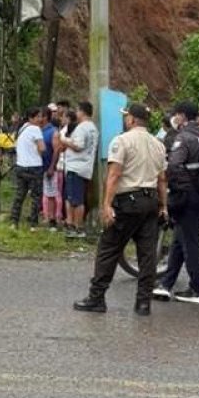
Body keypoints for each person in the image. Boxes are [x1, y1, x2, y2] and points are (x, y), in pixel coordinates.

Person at [73, 103, 168, 317]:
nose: (126, 120)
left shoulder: (121, 141)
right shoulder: (158, 144)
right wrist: (164, 206)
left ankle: (96, 297)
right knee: (147, 255)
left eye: (127, 117)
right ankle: (143, 303)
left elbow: (114, 175)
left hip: (128, 201)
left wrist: (106, 205)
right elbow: (162, 179)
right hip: (150, 201)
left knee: (109, 249)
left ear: (132, 120)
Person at [154, 102, 199, 305]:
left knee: (191, 243)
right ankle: (166, 285)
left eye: (176, 115)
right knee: (180, 241)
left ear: (182, 116)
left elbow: (175, 166)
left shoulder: (184, 137)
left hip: (187, 196)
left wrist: (176, 187)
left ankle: (198, 290)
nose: (174, 118)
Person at [59, 101, 98, 239]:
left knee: (76, 199)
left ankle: (76, 226)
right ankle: (73, 225)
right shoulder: (93, 127)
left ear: (82, 111)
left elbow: (78, 145)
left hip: (76, 167)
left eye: (77, 110)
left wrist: (64, 140)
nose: (76, 113)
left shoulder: (82, 128)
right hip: (85, 166)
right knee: (74, 197)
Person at [11, 107, 47, 227]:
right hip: (34, 167)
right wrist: (39, 152)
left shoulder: (22, 128)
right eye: (38, 117)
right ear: (31, 118)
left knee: (19, 195)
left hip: (21, 166)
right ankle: (33, 224)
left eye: (41, 116)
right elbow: (42, 148)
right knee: (36, 196)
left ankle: (14, 221)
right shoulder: (35, 129)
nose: (40, 119)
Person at [41, 104, 64, 231]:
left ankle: (52, 219)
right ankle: (46, 216)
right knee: (45, 194)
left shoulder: (53, 132)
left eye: (40, 116)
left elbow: (57, 150)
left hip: (49, 168)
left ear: (45, 117)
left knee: (51, 195)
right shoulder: (39, 130)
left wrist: (52, 167)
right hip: (40, 168)